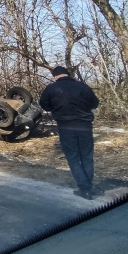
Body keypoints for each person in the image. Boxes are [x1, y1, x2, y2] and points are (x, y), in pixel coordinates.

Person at [39, 66, 100, 200]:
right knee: (87, 157)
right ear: (67, 74)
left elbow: (44, 105)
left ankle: (85, 188)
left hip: (65, 126)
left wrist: (56, 107)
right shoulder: (82, 87)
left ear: (55, 76)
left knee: (72, 157)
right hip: (85, 126)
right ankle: (88, 187)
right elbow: (95, 103)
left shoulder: (51, 88)